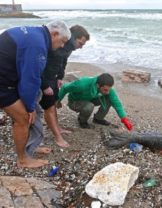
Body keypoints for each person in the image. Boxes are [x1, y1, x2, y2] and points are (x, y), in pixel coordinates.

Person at [0, 21, 71, 168]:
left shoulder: (35, 34)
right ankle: (23, 159)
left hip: (8, 75)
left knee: (31, 112)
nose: (63, 46)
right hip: (3, 81)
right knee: (24, 117)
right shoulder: (37, 45)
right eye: (62, 41)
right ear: (54, 34)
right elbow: (30, 79)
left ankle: (30, 146)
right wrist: (29, 106)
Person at [37, 25, 90, 148]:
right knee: (48, 107)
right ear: (73, 38)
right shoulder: (56, 44)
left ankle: (58, 128)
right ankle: (57, 137)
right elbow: (39, 65)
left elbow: (63, 62)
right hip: (44, 79)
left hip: (54, 78)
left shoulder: (69, 48)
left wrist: (60, 77)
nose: (81, 47)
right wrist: (44, 85)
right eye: (80, 43)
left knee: (54, 103)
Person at [57, 73, 133, 131]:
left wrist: (124, 118)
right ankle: (82, 121)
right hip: (75, 101)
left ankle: (98, 119)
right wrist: (57, 101)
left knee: (109, 98)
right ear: (98, 85)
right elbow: (64, 88)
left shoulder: (106, 87)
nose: (107, 92)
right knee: (89, 106)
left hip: (90, 98)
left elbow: (116, 102)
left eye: (109, 89)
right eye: (105, 90)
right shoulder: (82, 84)